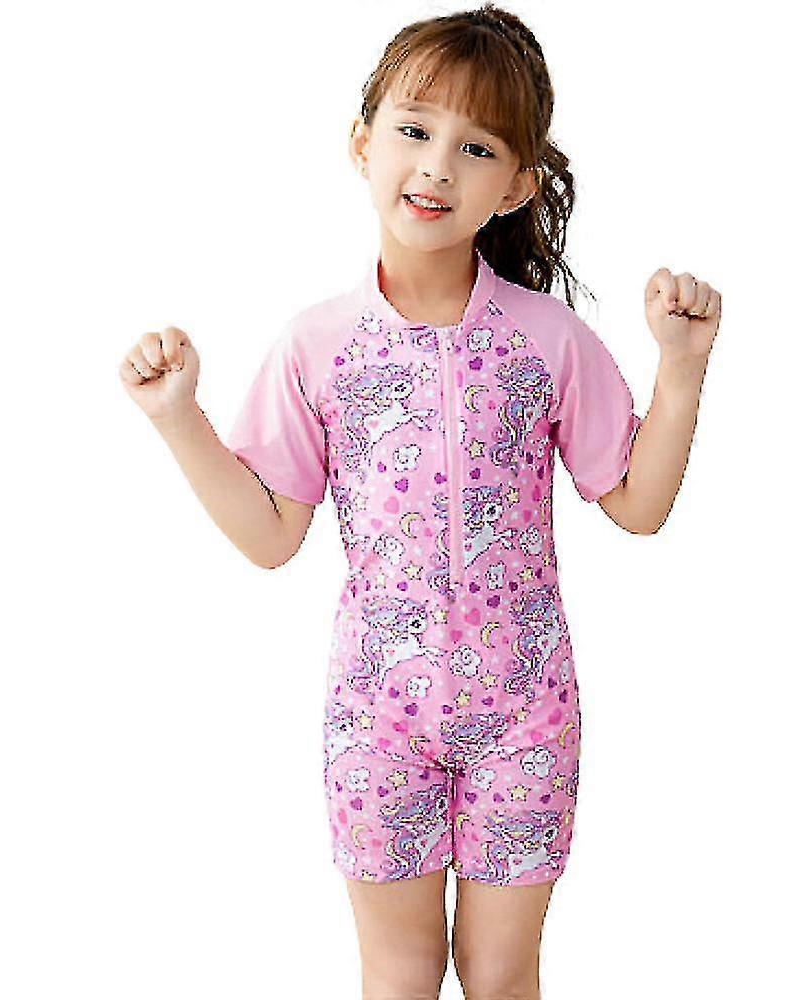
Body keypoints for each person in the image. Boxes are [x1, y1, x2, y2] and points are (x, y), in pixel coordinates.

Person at [118, 4, 721, 997]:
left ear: (515, 184)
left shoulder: (548, 340)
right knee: (399, 975)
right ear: (363, 145)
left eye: (475, 147)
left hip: (525, 715)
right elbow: (270, 535)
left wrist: (682, 372)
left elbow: (637, 503)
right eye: (414, 129)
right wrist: (178, 417)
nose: (437, 166)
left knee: (499, 972)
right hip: (377, 719)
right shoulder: (318, 344)